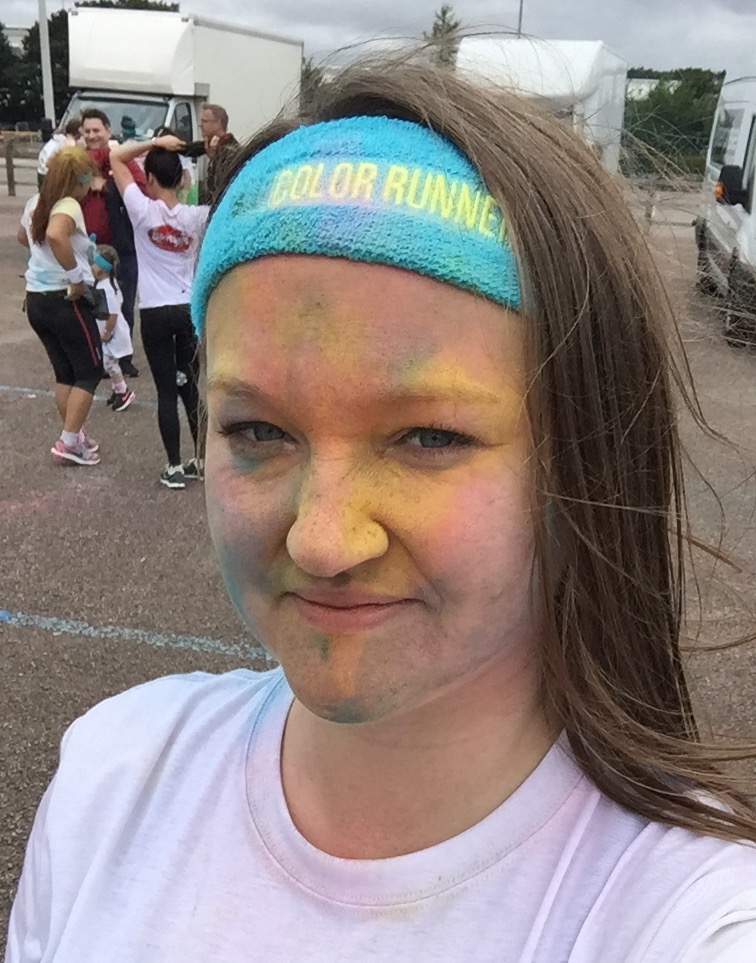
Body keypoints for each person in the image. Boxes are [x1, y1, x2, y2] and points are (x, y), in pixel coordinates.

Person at [7, 57, 756, 961]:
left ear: (588, 457)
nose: (324, 540)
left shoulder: (686, 918)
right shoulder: (110, 784)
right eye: (257, 429)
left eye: (428, 437)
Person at [108, 133, 209, 489]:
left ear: (149, 178)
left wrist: (154, 142)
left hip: (154, 311)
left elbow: (116, 157)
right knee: (191, 386)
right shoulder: (198, 216)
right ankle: (202, 459)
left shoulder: (141, 209)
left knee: (166, 390)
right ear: (182, 180)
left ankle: (174, 466)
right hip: (187, 308)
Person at [17, 146, 102, 467]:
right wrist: (76, 276)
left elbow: (23, 236)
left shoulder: (36, 202)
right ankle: (68, 442)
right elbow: (55, 234)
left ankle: (74, 435)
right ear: (79, 180)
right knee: (89, 371)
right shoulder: (67, 204)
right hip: (64, 299)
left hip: (36, 298)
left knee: (65, 372)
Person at [80, 107, 145, 376]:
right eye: (87, 131)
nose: (92, 135)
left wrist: (107, 185)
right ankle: (95, 354)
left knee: (123, 303)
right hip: (90, 247)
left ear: (108, 131)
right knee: (90, 303)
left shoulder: (120, 159)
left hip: (122, 248)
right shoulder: (79, 162)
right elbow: (73, 183)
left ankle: (123, 355)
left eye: (97, 130)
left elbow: (140, 187)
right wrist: (89, 179)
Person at [91, 244, 136, 412]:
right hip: (108, 331)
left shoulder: (107, 289)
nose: (91, 267)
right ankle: (117, 390)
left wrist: (107, 332)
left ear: (103, 270)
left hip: (112, 333)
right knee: (110, 362)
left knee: (109, 363)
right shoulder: (105, 285)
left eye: (94, 264)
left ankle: (123, 392)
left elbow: (113, 314)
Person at [183, 102, 239, 203]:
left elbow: (219, 184)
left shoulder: (230, 150)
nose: (200, 125)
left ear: (217, 123)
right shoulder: (211, 144)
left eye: (204, 121)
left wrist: (213, 158)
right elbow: (187, 149)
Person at [36, 118, 82, 187]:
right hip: (51, 176)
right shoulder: (69, 144)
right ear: (78, 133)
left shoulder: (55, 139)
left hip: (42, 173)